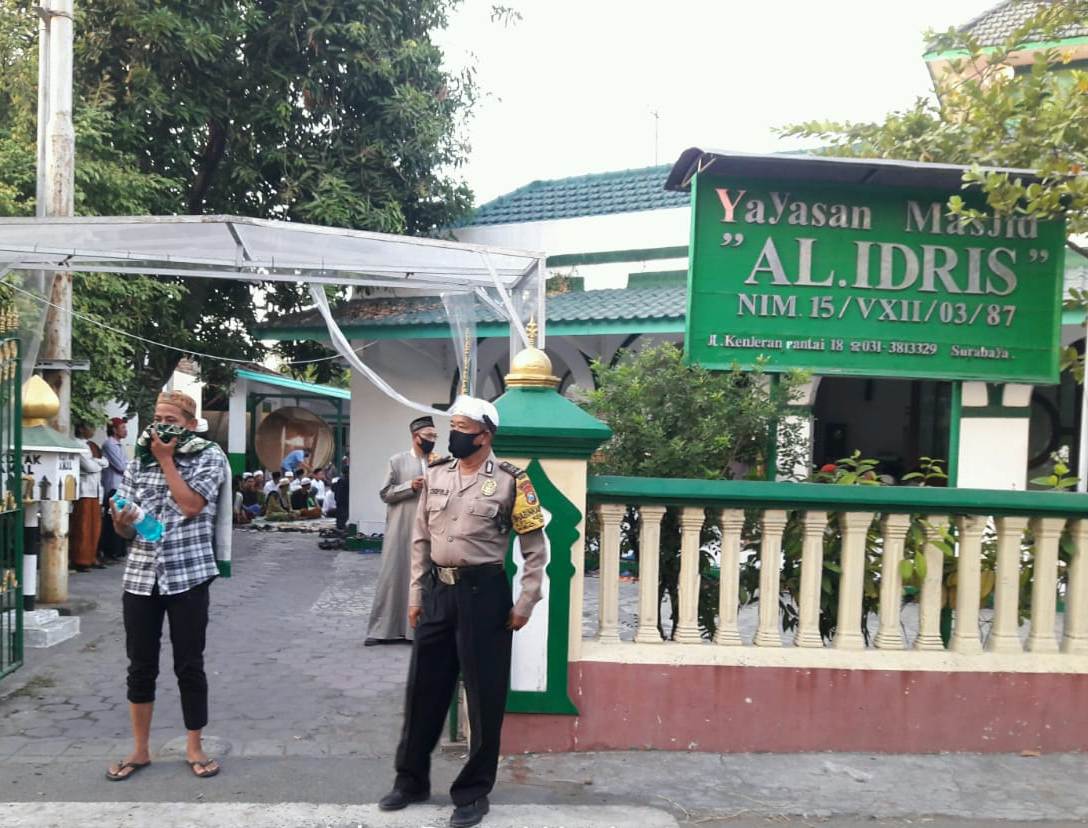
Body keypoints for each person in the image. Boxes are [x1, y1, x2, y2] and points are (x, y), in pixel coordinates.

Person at [378, 397, 546, 828]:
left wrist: (526, 601)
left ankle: (473, 792)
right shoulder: (436, 474)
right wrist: (416, 595)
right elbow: (420, 539)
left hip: (483, 594)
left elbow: (534, 549)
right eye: (451, 426)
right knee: (424, 691)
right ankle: (411, 780)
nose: (452, 435)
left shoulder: (512, 481)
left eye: (461, 428)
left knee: (484, 696)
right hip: (438, 591)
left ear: (484, 435)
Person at [105, 390, 225, 782]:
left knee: (189, 664)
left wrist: (167, 460)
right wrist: (120, 519)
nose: (161, 426)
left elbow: (191, 506)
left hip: (188, 574)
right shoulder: (138, 460)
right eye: (157, 418)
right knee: (140, 665)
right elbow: (125, 529)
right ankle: (140, 749)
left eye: (171, 419)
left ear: (190, 423)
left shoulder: (208, 456)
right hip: (141, 577)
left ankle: (194, 746)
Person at [365, 416, 439, 646]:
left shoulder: (439, 463)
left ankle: (416, 632)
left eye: (435, 436)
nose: (432, 440)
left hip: (429, 527)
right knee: (393, 575)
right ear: (415, 436)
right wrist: (410, 486)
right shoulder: (397, 461)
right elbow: (385, 493)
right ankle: (382, 630)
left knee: (423, 577)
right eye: (428, 436)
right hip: (401, 527)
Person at [72, 423, 108, 572]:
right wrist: (98, 463)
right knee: (83, 527)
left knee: (95, 527)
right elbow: (89, 467)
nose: (93, 430)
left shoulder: (93, 445)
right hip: (84, 491)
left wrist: (96, 462)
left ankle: (92, 556)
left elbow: (106, 462)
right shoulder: (76, 444)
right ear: (81, 428)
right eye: (90, 427)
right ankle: (81, 560)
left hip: (96, 490)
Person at [99, 416, 130, 561]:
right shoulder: (109, 445)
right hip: (113, 486)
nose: (125, 430)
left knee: (120, 517)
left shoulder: (119, 445)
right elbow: (122, 466)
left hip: (120, 485)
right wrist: (129, 468)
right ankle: (110, 550)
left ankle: (117, 551)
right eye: (122, 427)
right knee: (112, 519)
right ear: (114, 429)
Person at [333, 456, 349, 532]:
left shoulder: (341, 480)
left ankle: (340, 526)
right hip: (344, 501)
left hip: (341, 501)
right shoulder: (345, 481)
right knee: (343, 515)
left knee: (341, 515)